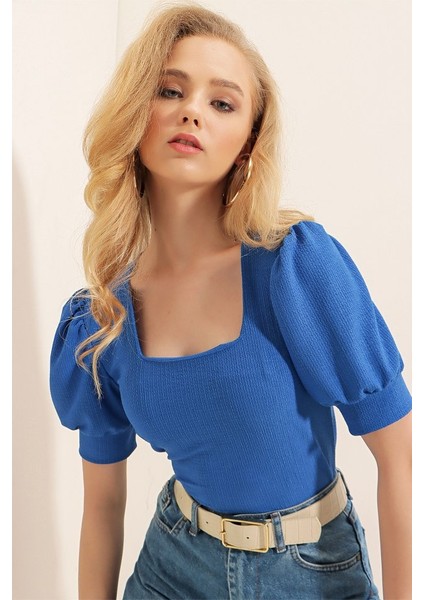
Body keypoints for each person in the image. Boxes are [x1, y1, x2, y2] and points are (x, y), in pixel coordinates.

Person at [49, 3, 412, 599]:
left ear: (247, 144)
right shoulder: (101, 320)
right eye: (170, 90)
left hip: (310, 569)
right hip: (173, 567)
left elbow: (398, 456)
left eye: (222, 103)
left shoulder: (293, 267)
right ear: (136, 112)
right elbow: (103, 504)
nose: (191, 110)